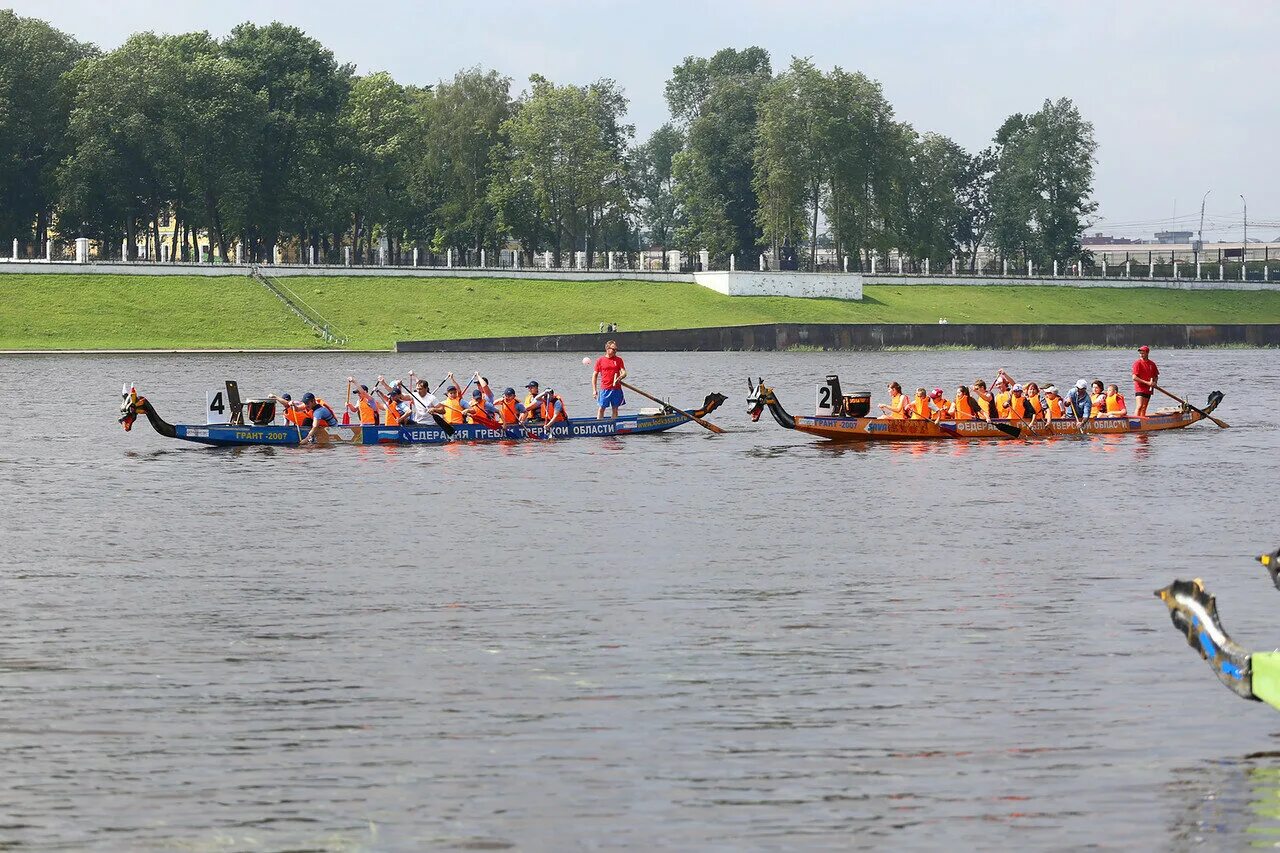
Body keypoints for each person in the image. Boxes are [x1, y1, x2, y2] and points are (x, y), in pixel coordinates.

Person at [593, 339, 627, 418]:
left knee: (615, 409)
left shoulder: (619, 360)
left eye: (616, 349)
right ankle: (599, 425)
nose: (615, 351)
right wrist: (594, 390)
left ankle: (614, 425)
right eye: (613, 349)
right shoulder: (600, 360)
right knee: (601, 408)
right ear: (607, 349)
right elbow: (594, 375)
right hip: (605, 389)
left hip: (616, 389)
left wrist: (621, 376)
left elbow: (624, 372)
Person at [1131, 345, 1159, 417]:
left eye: (1143, 353)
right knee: (1139, 406)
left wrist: (1154, 383)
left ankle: (1142, 422)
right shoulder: (1137, 363)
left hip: (1148, 388)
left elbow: (1156, 375)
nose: (1141, 354)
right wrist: (1147, 382)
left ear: (1147, 353)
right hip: (1139, 387)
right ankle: (1135, 421)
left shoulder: (1152, 364)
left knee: (1144, 408)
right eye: (1140, 353)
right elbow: (1134, 377)